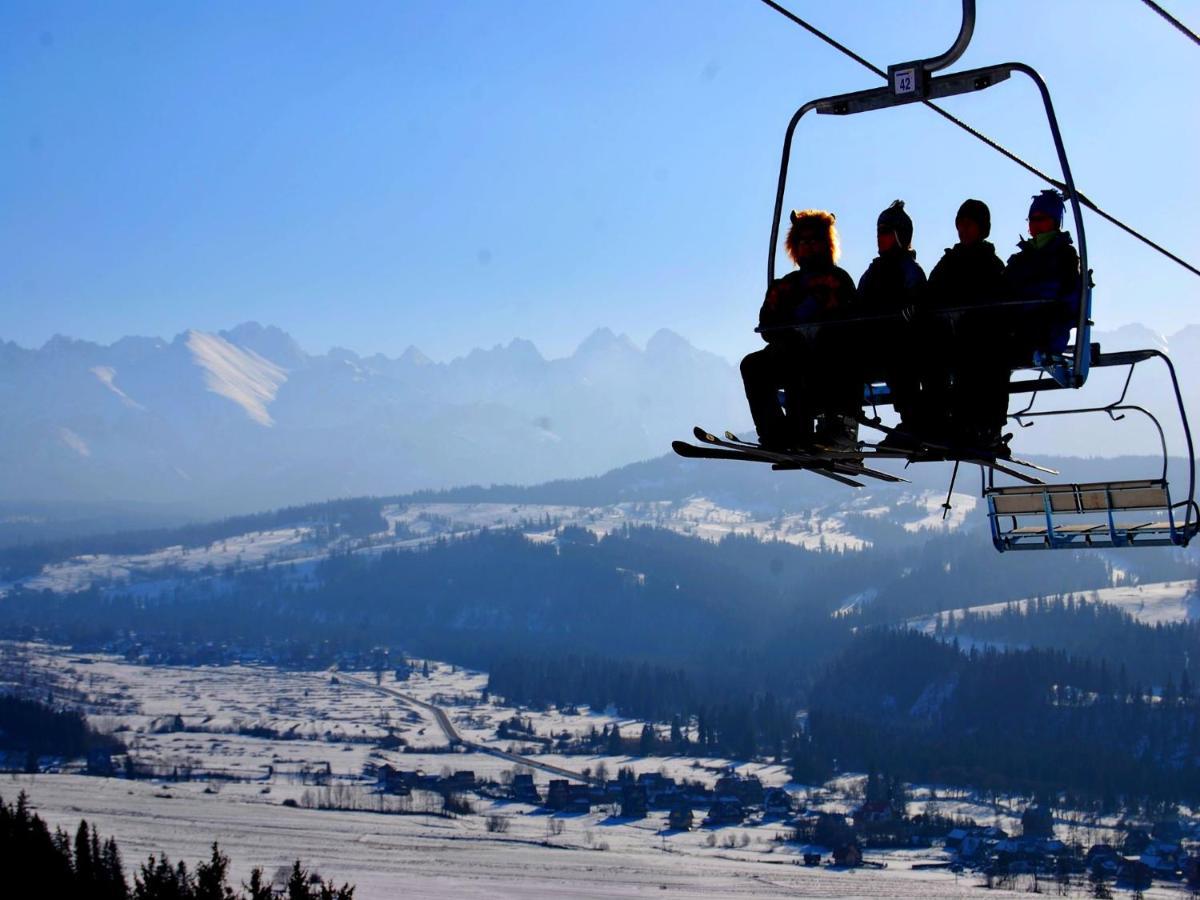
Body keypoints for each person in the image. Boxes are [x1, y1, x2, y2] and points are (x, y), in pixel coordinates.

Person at [740, 209, 857, 451]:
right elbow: (767, 323)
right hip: (789, 353)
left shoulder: (837, 279)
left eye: (813, 240)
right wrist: (786, 328)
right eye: (802, 241)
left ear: (825, 243)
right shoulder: (786, 285)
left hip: (828, 356)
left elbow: (849, 319)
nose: (807, 246)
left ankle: (802, 431)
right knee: (752, 365)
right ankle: (774, 433)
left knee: (800, 361)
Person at [925, 198, 1008, 449]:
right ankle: (942, 422)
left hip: (981, 335)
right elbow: (930, 293)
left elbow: (999, 301)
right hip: (949, 335)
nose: (963, 231)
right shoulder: (949, 262)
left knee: (984, 364)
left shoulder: (991, 264)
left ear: (982, 228)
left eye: (968, 225)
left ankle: (985, 426)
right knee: (932, 361)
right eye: (960, 225)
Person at [855, 200, 928, 447]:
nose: (880, 238)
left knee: (900, 360)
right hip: (873, 342)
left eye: (885, 233)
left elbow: (919, 303)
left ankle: (913, 422)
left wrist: (908, 313)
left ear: (900, 235)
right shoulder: (872, 272)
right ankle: (840, 420)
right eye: (878, 233)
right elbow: (857, 303)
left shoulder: (909, 270)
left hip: (902, 342)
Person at [1004, 189, 1083, 361]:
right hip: (1018, 327)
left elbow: (1068, 295)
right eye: (1032, 220)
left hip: (1048, 330)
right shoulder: (1021, 259)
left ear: (1054, 222)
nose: (1035, 224)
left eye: (1040, 219)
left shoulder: (1064, 256)